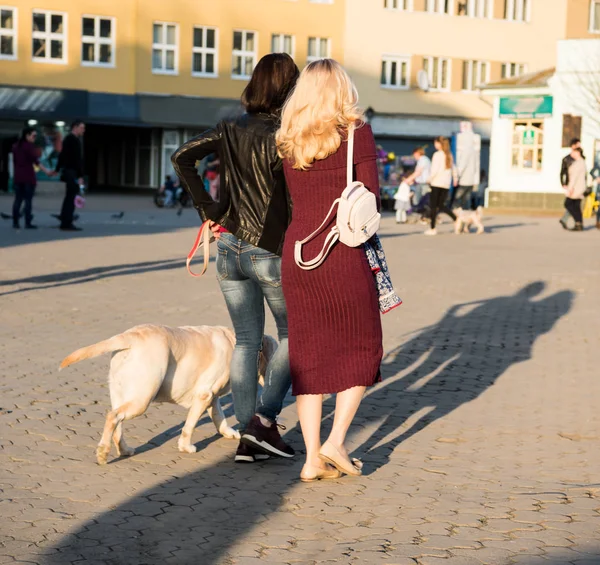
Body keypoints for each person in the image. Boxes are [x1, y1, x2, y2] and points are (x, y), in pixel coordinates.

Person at [172, 53, 300, 464]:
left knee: (246, 341)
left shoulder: (230, 126)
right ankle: (263, 420)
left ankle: (249, 437)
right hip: (270, 250)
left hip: (228, 247)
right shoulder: (287, 134)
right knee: (294, 336)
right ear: (288, 88)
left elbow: (182, 157)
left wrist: (208, 210)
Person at [276, 59, 383, 482]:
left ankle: (310, 459)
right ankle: (336, 440)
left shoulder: (288, 140)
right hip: (342, 253)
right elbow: (373, 196)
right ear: (342, 90)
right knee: (363, 346)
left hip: (298, 254)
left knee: (309, 356)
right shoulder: (358, 134)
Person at [11, 127, 55, 229]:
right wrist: (47, 171)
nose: (34, 138)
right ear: (27, 135)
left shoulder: (15, 147)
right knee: (28, 201)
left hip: (18, 177)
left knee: (18, 200)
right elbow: (36, 162)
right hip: (28, 177)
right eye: (33, 136)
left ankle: (15, 222)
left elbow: (15, 162)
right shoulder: (29, 147)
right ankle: (27, 222)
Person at [55, 120, 85, 231]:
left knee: (69, 196)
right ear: (75, 127)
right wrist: (80, 175)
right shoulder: (74, 140)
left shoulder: (68, 139)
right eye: (82, 128)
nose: (83, 130)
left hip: (68, 171)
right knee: (71, 196)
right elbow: (77, 160)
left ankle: (65, 220)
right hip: (72, 172)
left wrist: (57, 169)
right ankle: (67, 222)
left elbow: (62, 155)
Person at [425, 136, 457, 236]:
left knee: (433, 206)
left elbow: (435, 170)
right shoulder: (449, 155)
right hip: (446, 184)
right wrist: (455, 179)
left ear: (440, 144)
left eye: (436, 143)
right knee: (441, 205)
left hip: (436, 183)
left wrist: (429, 179)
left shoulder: (437, 155)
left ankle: (433, 228)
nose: (435, 145)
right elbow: (454, 168)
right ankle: (456, 218)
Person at [559, 138, 583, 230]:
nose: (579, 146)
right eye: (578, 145)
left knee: (573, 204)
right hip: (572, 185)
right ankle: (576, 222)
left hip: (577, 186)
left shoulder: (580, 158)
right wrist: (564, 183)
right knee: (570, 204)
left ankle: (577, 222)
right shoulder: (567, 159)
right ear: (573, 146)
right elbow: (563, 172)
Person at [562, 146, 587, 232]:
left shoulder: (578, 163)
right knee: (576, 206)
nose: (571, 154)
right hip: (579, 187)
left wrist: (570, 188)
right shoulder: (581, 162)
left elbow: (574, 177)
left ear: (578, 153)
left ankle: (578, 221)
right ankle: (579, 224)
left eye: (573, 152)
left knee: (567, 204)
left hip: (576, 188)